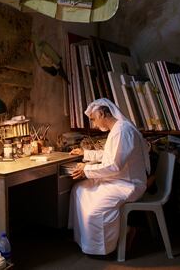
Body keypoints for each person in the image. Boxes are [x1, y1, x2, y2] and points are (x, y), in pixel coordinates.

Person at [68, 98, 150, 256]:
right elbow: (109, 155)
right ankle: (86, 240)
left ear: (101, 113)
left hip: (129, 184)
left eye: (93, 119)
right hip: (119, 179)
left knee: (95, 210)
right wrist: (86, 153)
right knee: (79, 189)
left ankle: (105, 248)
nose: (93, 124)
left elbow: (114, 165)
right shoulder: (118, 129)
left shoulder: (123, 130)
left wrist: (87, 169)